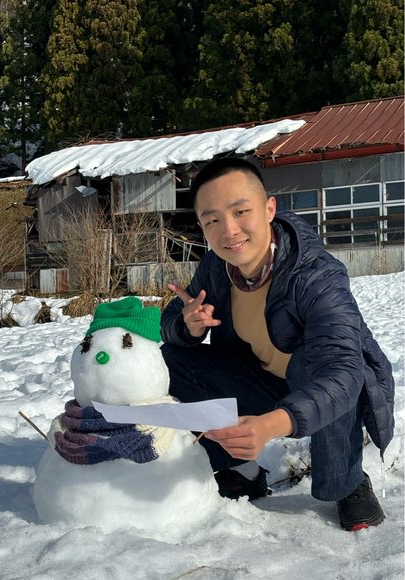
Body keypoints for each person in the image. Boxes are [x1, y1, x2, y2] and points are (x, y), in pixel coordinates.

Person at [160, 156, 394, 531]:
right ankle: (242, 468)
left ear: (269, 209)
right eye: (212, 220)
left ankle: (348, 482)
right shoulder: (216, 267)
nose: (229, 230)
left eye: (241, 211)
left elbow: (344, 372)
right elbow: (175, 315)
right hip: (260, 378)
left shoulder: (317, 275)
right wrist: (186, 325)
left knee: (313, 364)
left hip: (322, 385)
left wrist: (272, 425)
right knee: (173, 358)